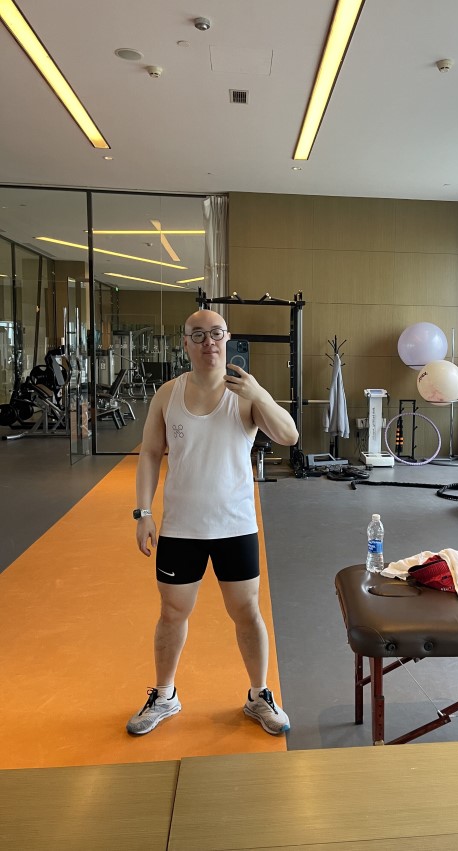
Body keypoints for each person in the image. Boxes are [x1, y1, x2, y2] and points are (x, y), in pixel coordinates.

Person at [126, 308, 299, 737]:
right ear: (186, 342)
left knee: (247, 612)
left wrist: (260, 395)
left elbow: (289, 436)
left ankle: (259, 695)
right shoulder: (168, 394)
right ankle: (164, 694)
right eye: (199, 335)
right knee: (172, 613)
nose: (209, 342)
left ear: (227, 338)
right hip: (180, 528)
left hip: (235, 526)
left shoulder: (245, 394)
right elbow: (150, 453)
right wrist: (143, 512)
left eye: (216, 333)